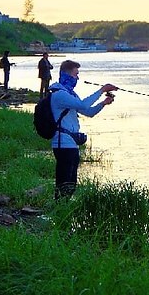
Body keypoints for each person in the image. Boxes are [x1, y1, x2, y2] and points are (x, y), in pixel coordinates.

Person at [49, 59, 117, 197]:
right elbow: (83, 105)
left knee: (71, 184)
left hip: (71, 144)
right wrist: (102, 89)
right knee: (64, 183)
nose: (77, 78)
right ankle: (59, 210)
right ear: (67, 75)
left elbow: (88, 112)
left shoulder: (69, 94)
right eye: (75, 74)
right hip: (63, 144)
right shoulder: (59, 94)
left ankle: (63, 209)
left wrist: (103, 103)